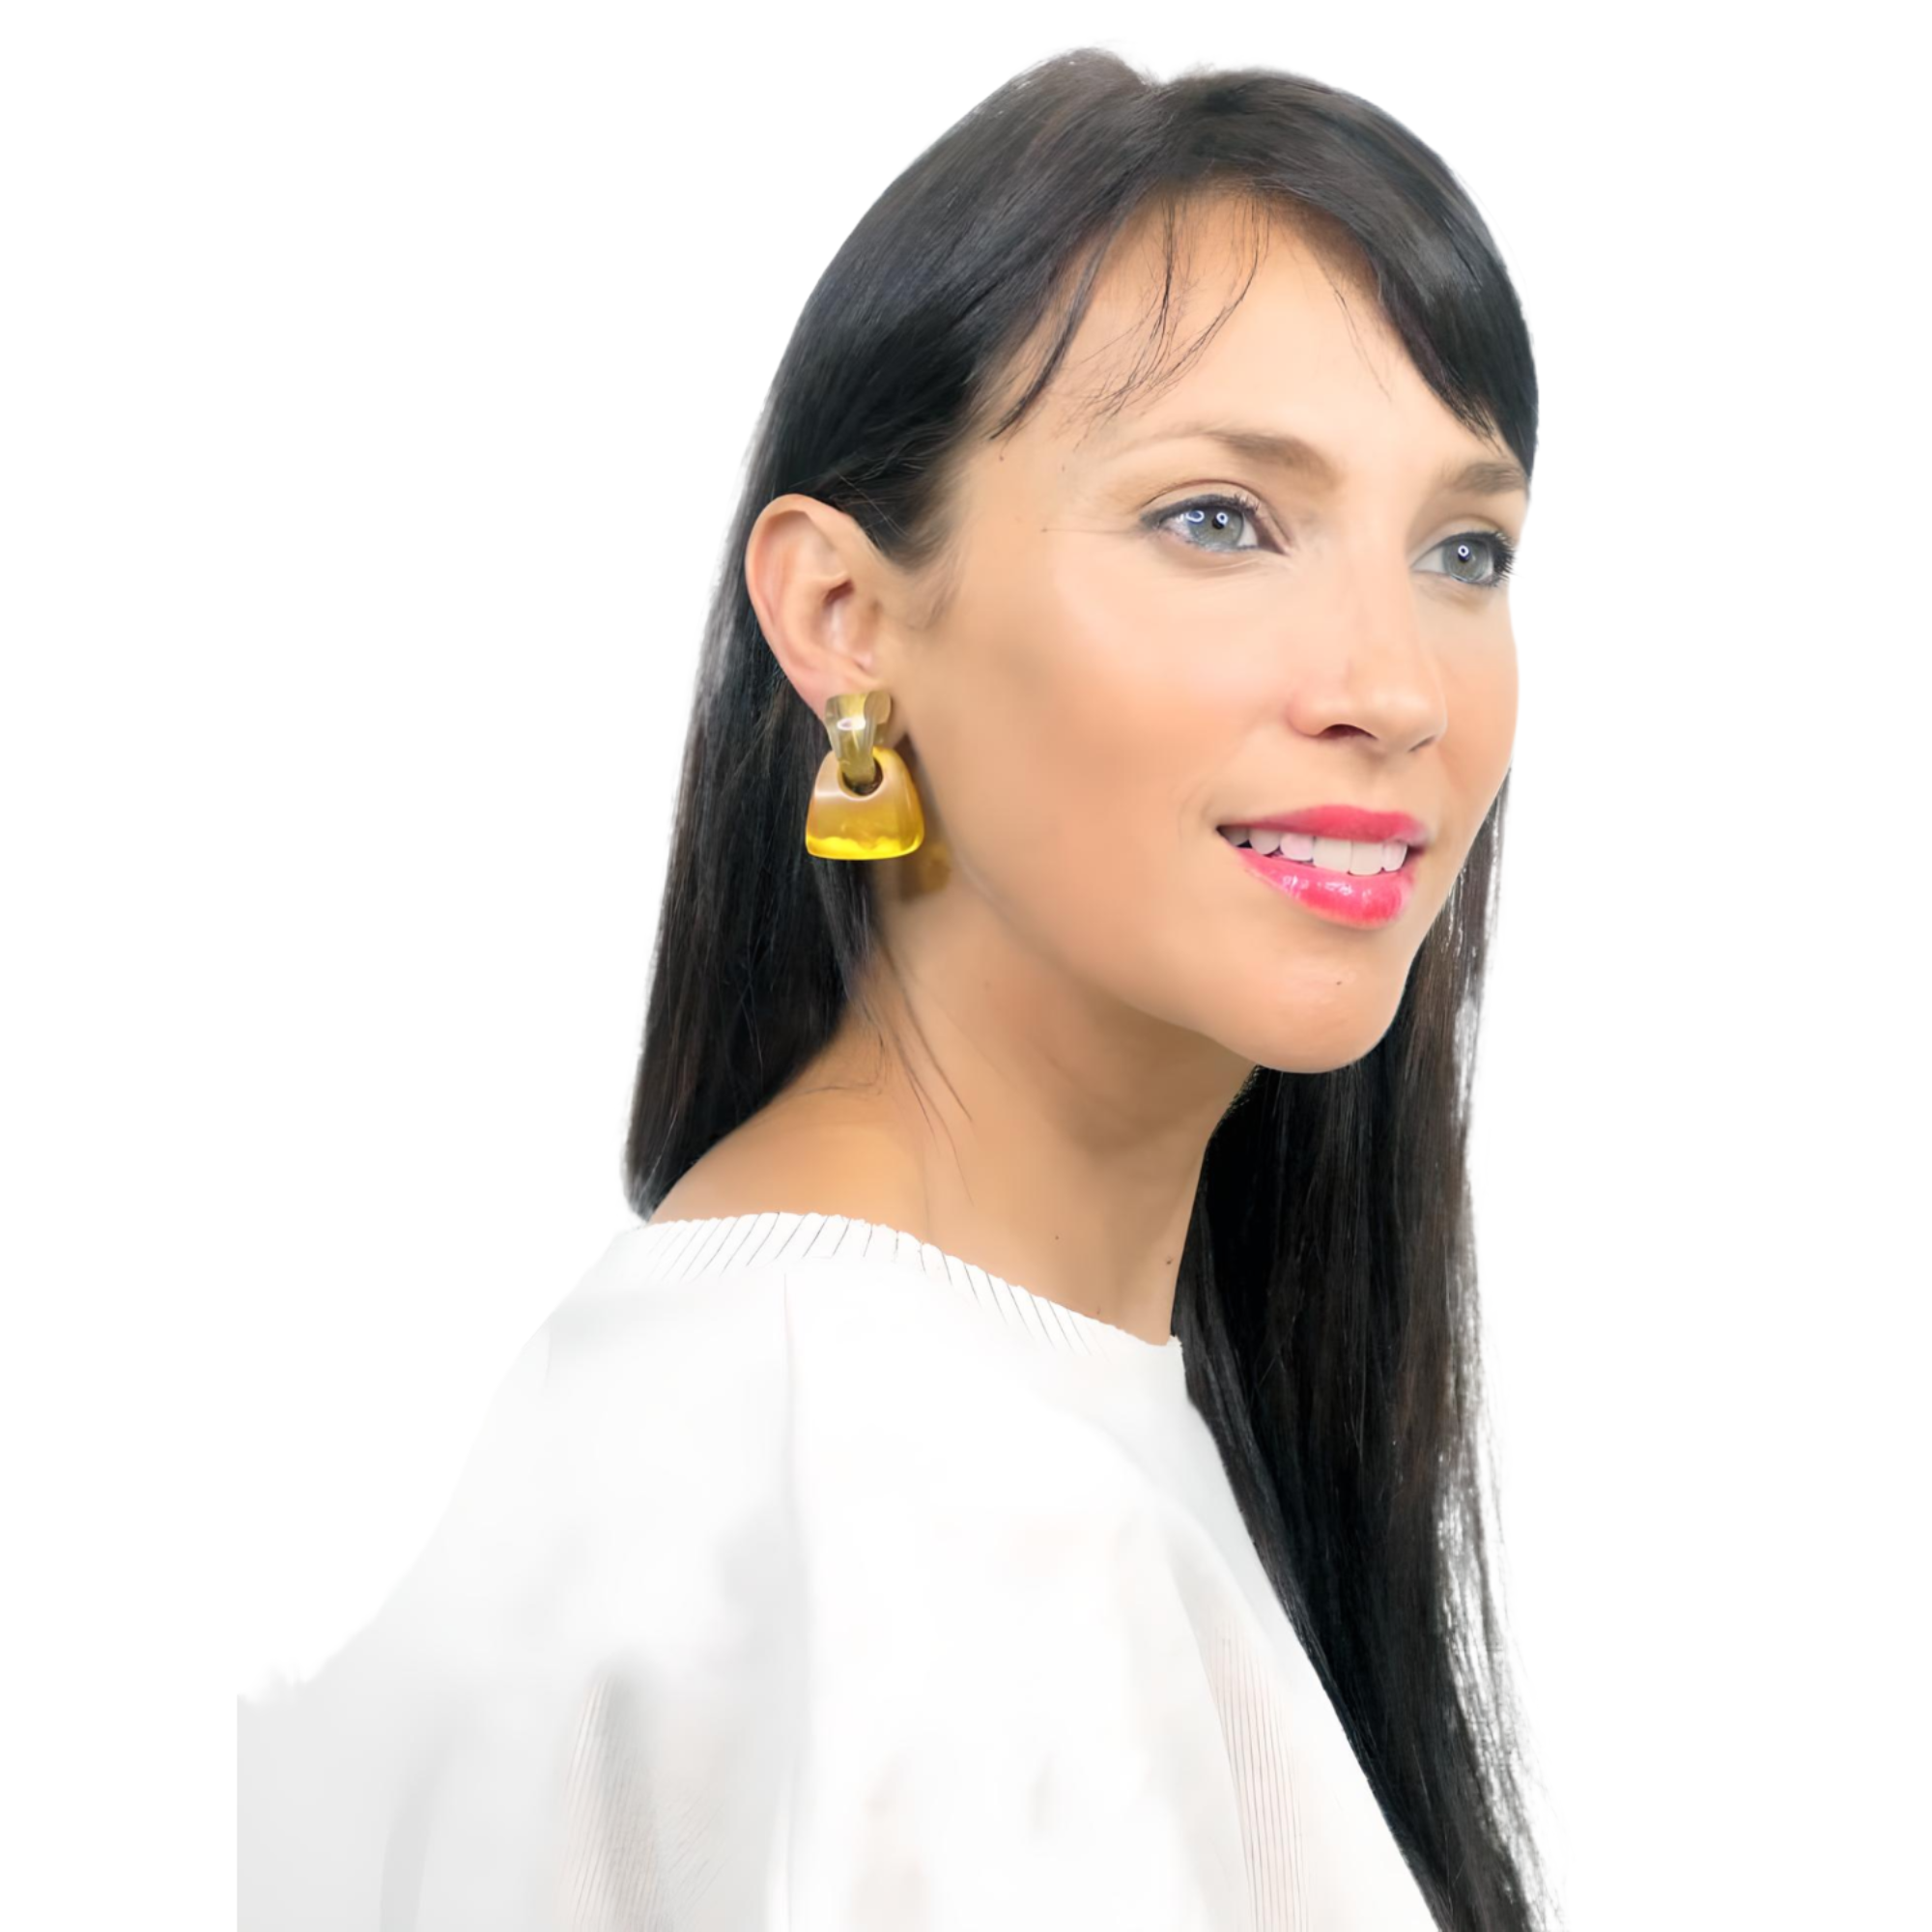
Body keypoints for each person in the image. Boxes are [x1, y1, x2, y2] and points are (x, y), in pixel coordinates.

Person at [240, 46, 1551, 1931]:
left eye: (1462, 548)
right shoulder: (933, 1504)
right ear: (844, 619)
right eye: (1217, 519)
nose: (1397, 686)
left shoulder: (790, 1380)